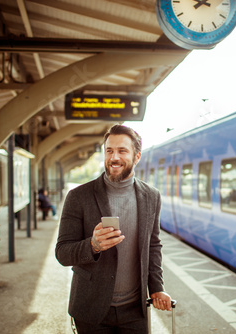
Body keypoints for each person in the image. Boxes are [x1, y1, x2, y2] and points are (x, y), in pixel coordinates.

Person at [55, 124, 172, 333]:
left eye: (122, 151)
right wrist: (93, 245)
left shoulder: (151, 196)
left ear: (137, 157)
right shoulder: (78, 197)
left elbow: (153, 245)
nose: (114, 157)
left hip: (135, 311)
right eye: (109, 151)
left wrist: (157, 288)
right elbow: (62, 253)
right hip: (91, 310)